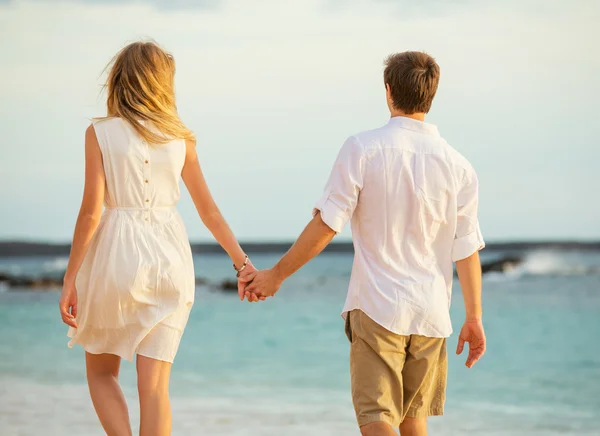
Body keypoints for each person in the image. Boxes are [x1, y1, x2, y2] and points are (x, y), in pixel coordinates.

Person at [239, 51, 487, 436]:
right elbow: (466, 249)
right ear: (431, 95)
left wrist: (276, 275)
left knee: (377, 421)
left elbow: (327, 225)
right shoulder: (459, 166)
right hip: (432, 313)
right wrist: (474, 317)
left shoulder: (363, 148)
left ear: (388, 92)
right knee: (412, 421)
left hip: (378, 306)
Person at [58, 40, 257, 436]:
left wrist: (70, 278)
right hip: (171, 262)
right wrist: (243, 265)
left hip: (115, 260)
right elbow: (209, 211)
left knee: (101, 374)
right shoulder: (182, 138)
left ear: (119, 80)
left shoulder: (99, 133)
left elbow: (91, 212)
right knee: (154, 389)